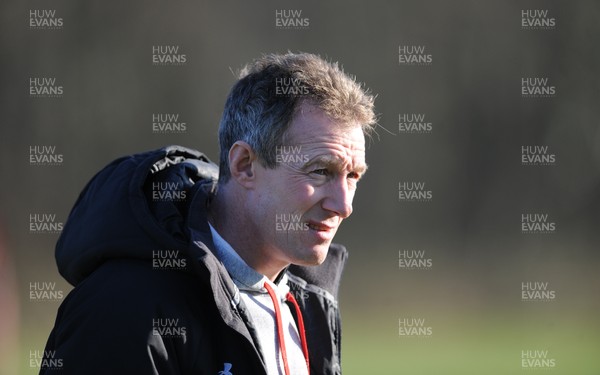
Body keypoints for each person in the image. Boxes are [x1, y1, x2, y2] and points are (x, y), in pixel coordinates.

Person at [40, 52, 376, 375]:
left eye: (353, 176)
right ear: (244, 165)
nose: (344, 205)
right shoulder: (125, 311)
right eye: (320, 171)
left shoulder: (308, 305)